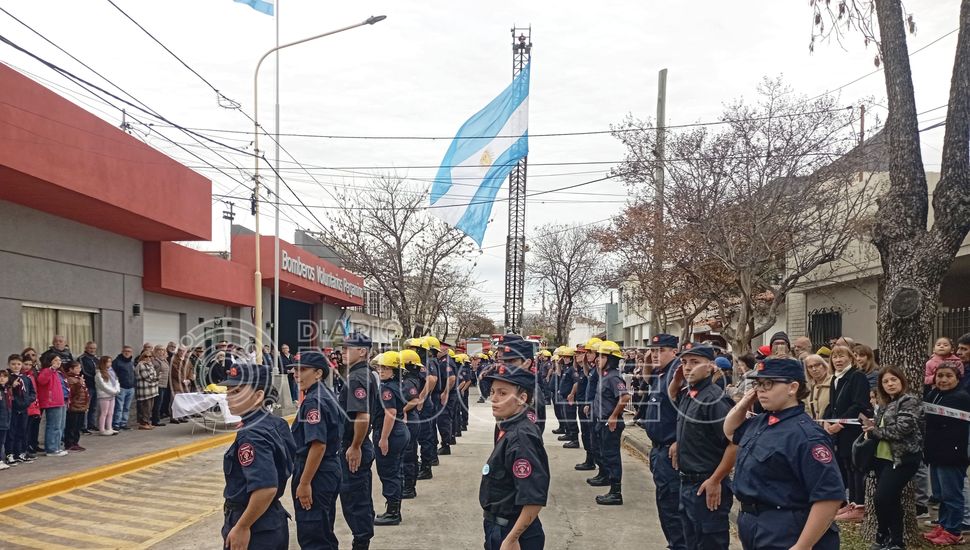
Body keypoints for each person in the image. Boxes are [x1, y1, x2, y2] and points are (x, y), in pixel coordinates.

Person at [724, 357, 843, 550]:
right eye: (758, 384)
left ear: (792, 387)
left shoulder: (807, 435)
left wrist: (803, 546)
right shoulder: (761, 422)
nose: (761, 389)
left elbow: (829, 497)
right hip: (755, 523)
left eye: (769, 384)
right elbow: (729, 431)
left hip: (786, 527)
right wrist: (746, 400)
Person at [480, 337, 550, 550]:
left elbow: (533, 496)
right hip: (498, 526)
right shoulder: (508, 425)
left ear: (522, 398)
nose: (494, 399)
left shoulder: (520, 437)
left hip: (512, 532)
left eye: (502, 393)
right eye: (493, 392)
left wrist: (511, 538)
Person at [220, 362, 296, 550]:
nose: (228, 397)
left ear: (258, 396)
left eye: (237, 392)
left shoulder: (251, 434)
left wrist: (242, 527)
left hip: (255, 525)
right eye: (228, 391)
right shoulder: (275, 423)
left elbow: (266, 488)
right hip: (271, 520)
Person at [668, 343, 736, 550]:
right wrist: (679, 442)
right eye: (684, 362)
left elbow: (734, 444)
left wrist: (716, 480)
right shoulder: (691, 394)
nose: (688, 367)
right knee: (691, 541)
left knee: (709, 543)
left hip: (706, 485)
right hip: (687, 484)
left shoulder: (714, 400)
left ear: (710, 367)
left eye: (695, 362)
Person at [860, 365, 923, 550]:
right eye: (885, 381)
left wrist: (875, 432)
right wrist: (872, 428)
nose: (890, 384)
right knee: (890, 499)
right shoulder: (886, 404)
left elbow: (903, 428)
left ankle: (883, 534)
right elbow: (881, 429)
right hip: (882, 458)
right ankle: (894, 540)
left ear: (901, 381)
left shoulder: (909, 400)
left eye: (893, 380)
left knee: (882, 497)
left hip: (902, 458)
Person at [291, 351, 343, 550]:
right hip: (328, 469)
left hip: (316, 472)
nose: (296, 374)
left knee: (313, 536)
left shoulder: (314, 401)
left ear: (318, 373)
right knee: (323, 531)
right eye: (295, 370)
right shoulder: (325, 393)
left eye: (302, 370)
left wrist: (304, 483)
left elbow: (318, 445)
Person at [640, 334, 686, 550]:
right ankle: (674, 543)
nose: (656, 355)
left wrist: (679, 439)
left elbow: (686, 412)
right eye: (654, 351)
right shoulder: (662, 374)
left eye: (661, 351)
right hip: (659, 450)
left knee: (673, 507)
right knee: (665, 504)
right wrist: (649, 362)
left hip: (670, 451)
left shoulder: (677, 375)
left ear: (674, 351)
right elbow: (646, 379)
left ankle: (679, 545)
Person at [337, 332, 379, 550]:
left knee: (354, 499)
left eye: (347, 348)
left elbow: (362, 416)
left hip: (355, 444)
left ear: (362, 351)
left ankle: (361, 542)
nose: (342, 352)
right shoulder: (366, 374)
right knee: (360, 494)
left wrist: (354, 446)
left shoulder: (358, 377)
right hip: (359, 442)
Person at [923, 362, 970, 546]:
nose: (943, 380)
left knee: (952, 495)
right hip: (936, 453)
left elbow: (934, 419)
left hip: (952, 454)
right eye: (940, 375)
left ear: (957, 379)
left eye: (948, 376)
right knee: (940, 494)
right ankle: (943, 525)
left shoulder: (960, 397)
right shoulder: (934, 394)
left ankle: (954, 531)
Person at [824, 345, 872, 522]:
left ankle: (859, 504)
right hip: (839, 430)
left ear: (850, 358)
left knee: (855, 466)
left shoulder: (856, 376)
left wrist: (840, 423)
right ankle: (850, 502)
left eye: (841, 356)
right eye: (834, 357)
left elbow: (858, 403)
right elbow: (832, 403)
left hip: (852, 429)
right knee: (845, 465)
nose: (838, 360)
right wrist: (827, 420)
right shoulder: (835, 378)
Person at [589, 340, 631, 506]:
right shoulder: (604, 375)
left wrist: (614, 416)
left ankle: (616, 492)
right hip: (601, 421)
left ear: (610, 359)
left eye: (602, 356)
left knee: (612, 457)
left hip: (610, 423)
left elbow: (625, 397)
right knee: (605, 454)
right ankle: (607, 478)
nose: (597, 359)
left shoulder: (614, 377)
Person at [373, 350, 410, 526]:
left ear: (394, 370)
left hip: (391, 432)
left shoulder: (387, 387)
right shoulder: (398, 384)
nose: (381, 370)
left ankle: (393, 512)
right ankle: (395, 509)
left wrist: (384, 438)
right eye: (380, 367)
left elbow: (391, 412)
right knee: (396, 471)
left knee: (388, 472)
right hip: (401, 431)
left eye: (386, 368)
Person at [399, 349, 425, 499]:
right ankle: (409, 484)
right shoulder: (413, 378)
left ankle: (409, 487)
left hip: (410, 420)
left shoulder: (409, 381)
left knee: (408, 455)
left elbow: (414, 400)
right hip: (412, 419)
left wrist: (401, 411)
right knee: (410, 453)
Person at [5, 355, 36, 464]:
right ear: (9, 364)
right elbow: (5, 391)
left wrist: (28, 401)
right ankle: (10, 454)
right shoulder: (7, 378)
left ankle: (19, 453)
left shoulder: (26, 378)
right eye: (13, 364)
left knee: (22, 431)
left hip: (24, 408)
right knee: (11, 432)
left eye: (18, 364)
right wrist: (11, 386)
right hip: (12, 409)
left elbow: (33, 392)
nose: (16, 366)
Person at [36, 354, 67, 457]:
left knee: (60, 426)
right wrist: (50, 369)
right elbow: (41, 380)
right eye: (56, 360)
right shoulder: (46, 371)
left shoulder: (57, 372)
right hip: (52, 402)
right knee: (53, 426)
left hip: (60, 401)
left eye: (59, 360)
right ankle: (51, 448)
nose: (58, 362)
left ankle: (57, 446)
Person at [63, 360, 89, 452]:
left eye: (80, 367)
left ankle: (75, 442)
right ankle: (69, 443)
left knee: (78, 426)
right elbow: (72, 393)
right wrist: (79, 384)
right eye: (77, 368)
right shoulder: (70, 379)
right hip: (74, 406)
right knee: (71, 426)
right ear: (71, 369)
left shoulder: (78, 378)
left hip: (81, 406)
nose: (79, 369)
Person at [556, 347, 580, 448]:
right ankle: (570, 434)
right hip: (564, 397)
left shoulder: (572, 369)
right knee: (566, 417)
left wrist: (571, 394)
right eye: (564, 357)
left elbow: (576, 382)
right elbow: (558, 373)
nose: (565, 359)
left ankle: (575, 439)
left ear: (571, 358)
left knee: (571, 418)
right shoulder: (566, 368)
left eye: (567, 357)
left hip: (569, 398)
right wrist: (558, 363)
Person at [94, 356, 120, 436]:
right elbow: (103, 385)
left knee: (110, 412)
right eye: (108, 362)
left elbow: (116, 381)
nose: (110, 363)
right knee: (104, 412)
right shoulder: (99, 373)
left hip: (112, 395)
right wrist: (112, 391)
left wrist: (117, 390)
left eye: (110, 362)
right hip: (104, 395)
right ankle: (102, 429)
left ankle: (109, 427)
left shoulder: (112, 372)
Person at [112, 346, 136, 431]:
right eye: (125, 351)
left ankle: (123, 423)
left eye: (129, 351)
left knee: (127, 407)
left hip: (131, 388)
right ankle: (116, 424)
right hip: (121, 388)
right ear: (122, 352)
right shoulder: (117, 362)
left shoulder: (131, 362)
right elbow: (112, 375)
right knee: (119, 407)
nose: (127, 353)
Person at [135, 349, 159, 431]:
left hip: (152, 390)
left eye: (150, 356)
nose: (148, 358)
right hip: (145, 390)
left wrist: (155, 378)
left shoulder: (150, 364)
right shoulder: (141, 365)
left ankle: (148, 422)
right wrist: (157, 378)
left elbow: (153, 376)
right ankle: (143, 423)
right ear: (142, 357)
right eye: (146, 356)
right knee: (146, 407)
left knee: (150, 407)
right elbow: (147, 377)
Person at [78, 341, 99, 433]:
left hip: (96, 386)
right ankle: (84, 426)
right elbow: (84, 371)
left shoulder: (96, 359)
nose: (92, 350)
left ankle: (92, 424)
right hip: (87, 385)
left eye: (94, 348)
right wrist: (95, 378)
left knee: (93, 406)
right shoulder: (82, 358)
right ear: (86, 348)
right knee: (86, 407)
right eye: (90, 348)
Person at [804, 354, 833, 420]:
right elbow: (806, 409)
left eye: (817, 365)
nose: (814, 369)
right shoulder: (808, 387)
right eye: (810, 367)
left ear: (824, 365)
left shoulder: (834, 382)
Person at [151, 345, 171, 427]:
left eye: (162, 350)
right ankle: (155, 420)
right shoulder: (154, 360)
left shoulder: (164, 360)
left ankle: (157, 418)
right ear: (155, 351)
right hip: (157, 384)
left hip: (164, 384)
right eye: (159, 350)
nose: (161, 351)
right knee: (157, 403)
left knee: (160, 402)